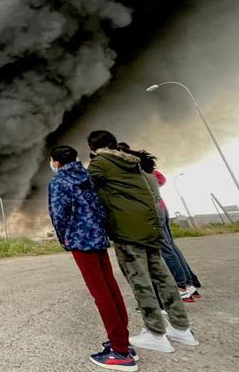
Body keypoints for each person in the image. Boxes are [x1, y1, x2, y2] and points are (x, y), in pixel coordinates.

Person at [87, 131, 198, 353]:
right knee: (162, 276)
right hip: (150, 226)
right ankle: (181, 328)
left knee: (141, 281)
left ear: (92, 147)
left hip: (128, 230)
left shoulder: (101, 163)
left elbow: (84, 185)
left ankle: (156, 333)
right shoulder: (133, 162)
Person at [48, 145, 138, 371]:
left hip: (80, 241)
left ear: (56, 163)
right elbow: (100, 207)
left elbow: (58, 215)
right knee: (110, 287)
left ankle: (120, 352)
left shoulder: (59, 182)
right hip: (98, 238)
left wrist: (64, 239)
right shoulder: (87, 176)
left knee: (101, 294)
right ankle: (122, 341)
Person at [120, 146, 202, 301]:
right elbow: (161, 179)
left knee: (165, 249)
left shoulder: (139, 174)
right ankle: (189, 285)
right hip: (160, 209)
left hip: (153, 211)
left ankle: (181, 287)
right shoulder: (148, 172)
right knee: (170, 247)